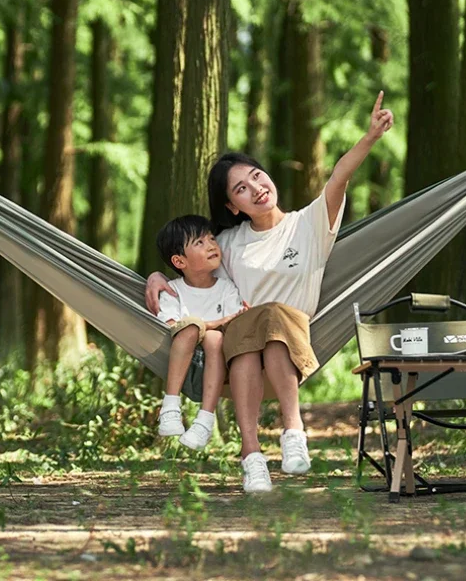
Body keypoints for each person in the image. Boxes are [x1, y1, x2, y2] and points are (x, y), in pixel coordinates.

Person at [146, 92, 394, 492]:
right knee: (249, 332)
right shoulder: (228, 243)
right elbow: (193, 268)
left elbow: (339, 177)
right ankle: (252, 457)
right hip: (241, 346)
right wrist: (156, 278)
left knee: (273, 316)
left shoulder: (309, 224)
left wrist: (369, 138)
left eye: (257, 176)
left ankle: (292, 431)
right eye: (241, 189)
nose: (257, 188)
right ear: (232, 206)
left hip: (291, 338)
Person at [154, 215, 247, 450]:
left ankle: (204, 420)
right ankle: (171, 408)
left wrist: (212, 326)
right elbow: (171, 324)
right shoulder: (172, 291)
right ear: (179, 261)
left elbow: (233, 323)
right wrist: (214, 323)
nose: (211, 245)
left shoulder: (227, 289)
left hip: (217, 365)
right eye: (199, 242)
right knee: (191, 327)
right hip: (183, 364)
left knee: (213, 336)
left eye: (212, 238)